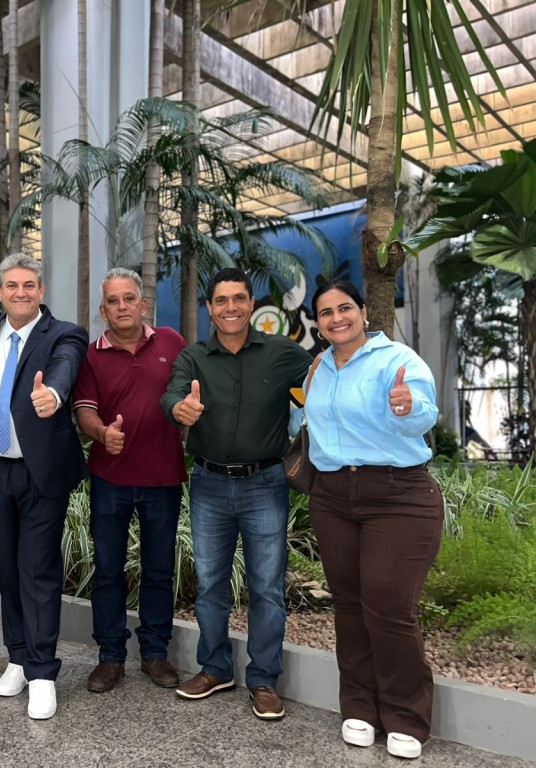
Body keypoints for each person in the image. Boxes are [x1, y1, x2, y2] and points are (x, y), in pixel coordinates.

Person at [160, 267, 311, 720]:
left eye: (239, 299)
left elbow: (325, 376)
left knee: (266, 588)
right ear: (210, 308)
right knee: (210, 585)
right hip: (208, 484)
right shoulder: (193, 358)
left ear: (251, 303)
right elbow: (170, 397)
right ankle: (215, 668)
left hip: (265, 483)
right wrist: (181, 408)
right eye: (221, 300)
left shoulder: (282, 353)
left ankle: (263, 679)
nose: (231, 308)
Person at [305, 280, 443, 760]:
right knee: (348, 604)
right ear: (318, 323)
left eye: (344, 308)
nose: (336, 318)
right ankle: (359, 707)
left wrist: (407, 407)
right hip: (332, 496)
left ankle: (406, 715)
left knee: (388, 604)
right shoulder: (319, 367)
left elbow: (424, 414)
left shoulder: (396, 359)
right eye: (326, 312)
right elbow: (309, 424)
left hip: (398, 495)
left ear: (364, 312)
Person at [0, 253, 88, 720]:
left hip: (40, 471)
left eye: (29, 285)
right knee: (7, 568)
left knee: (38, 570)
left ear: (41, 290)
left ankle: (41, 673)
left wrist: (52, 393)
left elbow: (66, 366)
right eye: (12, 285)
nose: (21, 293)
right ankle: (17, 656)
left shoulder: (64, 334)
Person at [72, 268, 187, 692]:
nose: (122, 306)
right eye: (112, 301)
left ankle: (155, 653)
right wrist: (102, 433)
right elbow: (84, 411)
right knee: (108, 570)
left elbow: (189, 394)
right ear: (103, 311)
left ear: (143, 305)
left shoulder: (172, 343)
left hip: (163, 478)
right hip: (110, 479)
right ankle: (111, 656)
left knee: (159, 570)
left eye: (129, 298)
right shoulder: (91, 356)